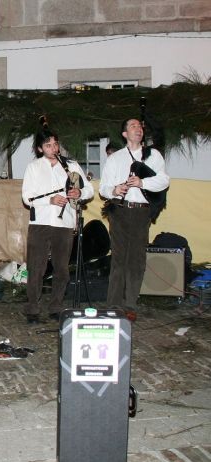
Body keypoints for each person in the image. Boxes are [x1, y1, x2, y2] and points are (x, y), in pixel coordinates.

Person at [99, 118, 170, 322]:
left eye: (140, 126)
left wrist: (142, 182)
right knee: (119, 258)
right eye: (133, 126)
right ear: (124, 134)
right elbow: (103, 188)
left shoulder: (152, 155)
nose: (138, 129)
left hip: (141, 212)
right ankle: (113, 305)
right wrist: (115, 189)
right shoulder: (116, 159)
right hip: (119, 210)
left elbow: (163, 181)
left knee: (136, 260)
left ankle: (130, 304)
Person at [21, 129, 93, 324]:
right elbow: (27, 197)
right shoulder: (34, 167)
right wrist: (50, 200)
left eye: (55, 144)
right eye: (48, 145)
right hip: (40, 223)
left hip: (65, 222)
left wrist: (80, 193)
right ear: (40, 148)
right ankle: (32, 309)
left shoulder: (71, 166)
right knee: (37, 268)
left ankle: (56, 307)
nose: (53, 148)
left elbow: (89, 190)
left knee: (61, 268)